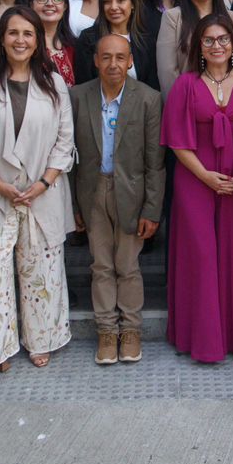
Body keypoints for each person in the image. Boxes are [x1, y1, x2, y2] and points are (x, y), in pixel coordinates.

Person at [0, 6, 76, 390]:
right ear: (2, 38)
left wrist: (43, 183)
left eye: (28, 33)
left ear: (37, 39)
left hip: (41, 193)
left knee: (40, 273)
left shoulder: (54, 84)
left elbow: (65, 142)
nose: (21, 40)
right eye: (13, 33)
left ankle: (40, 339)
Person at [162, 12, 233, 363]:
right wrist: (205, 176)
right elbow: (176, 141)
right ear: (198, 47)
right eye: (209, 40)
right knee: (201, 258)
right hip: (195, 180)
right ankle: (202, 339)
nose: (216, 46)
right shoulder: (185, 84)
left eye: (223, 39)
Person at [71, 34, 164, 366]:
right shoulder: (78, 97)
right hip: (92, 191)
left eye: (120, 57)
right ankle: (107, 331)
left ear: (130, 61)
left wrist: (152, 209)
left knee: (128, 265)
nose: (113, 64)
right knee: (101, 265)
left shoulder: (149, 99)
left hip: (132, 194)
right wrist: (73, 206)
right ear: (96, 60)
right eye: (106, 57)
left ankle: (131, 330)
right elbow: (70, 157)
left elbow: (155, 162)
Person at [76, 0, 157, 90]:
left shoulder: (146, 40)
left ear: (133, 4)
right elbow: (83, 87)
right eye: (107, 1)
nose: (113, 7)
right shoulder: (88, 39)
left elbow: (151, 87)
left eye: (120, 0)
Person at [31, 0, 79, 86]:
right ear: (31, 4)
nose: (49, 4)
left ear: (65, 6)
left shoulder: (75, 46)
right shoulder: (24, 45)